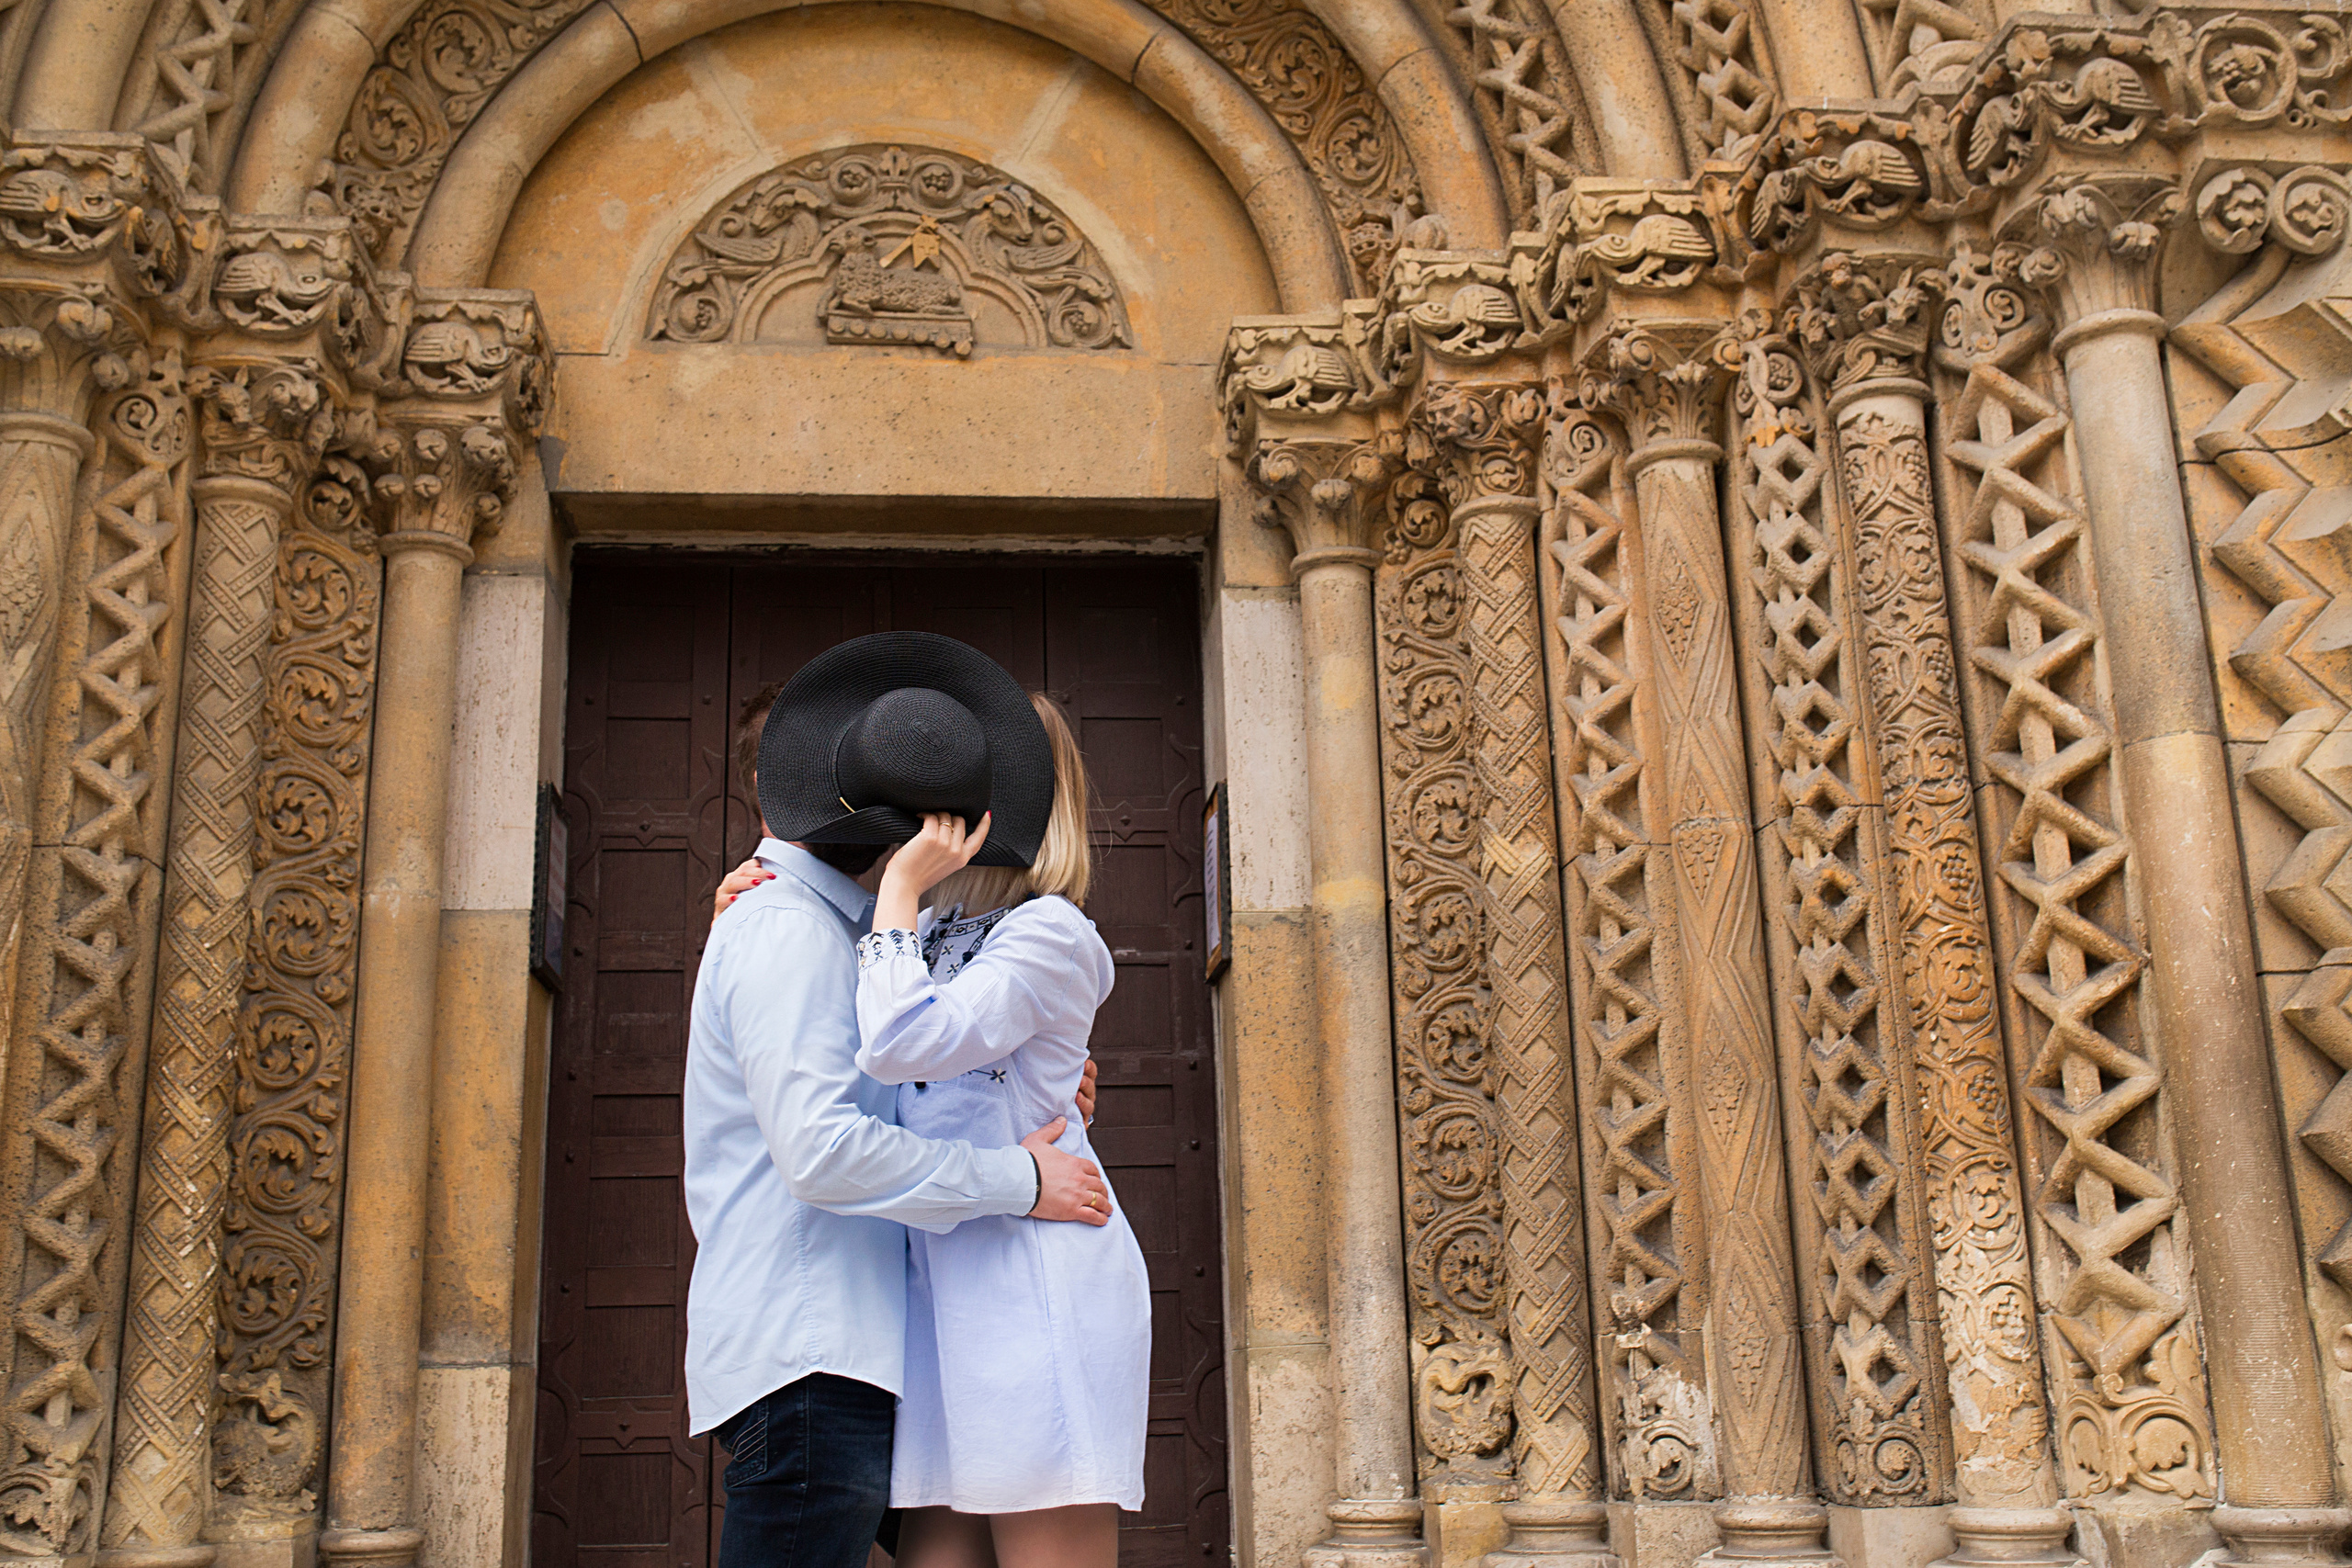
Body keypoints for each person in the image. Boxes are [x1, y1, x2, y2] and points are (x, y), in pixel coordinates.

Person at [684, 644, 1110, 1568]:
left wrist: (1044, 1081)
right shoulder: (792, 929)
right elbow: (826, 1149)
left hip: (898, 1334)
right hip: (816, 1348)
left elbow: (932, 1064)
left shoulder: (871, 932)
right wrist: (1018, 1176)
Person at [852, 692, 1145, 1568]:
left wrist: (898, 885)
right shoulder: (931, 929)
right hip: (942, 1296)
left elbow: (902, 1040)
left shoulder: (1050, 930)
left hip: (1033, 1283)